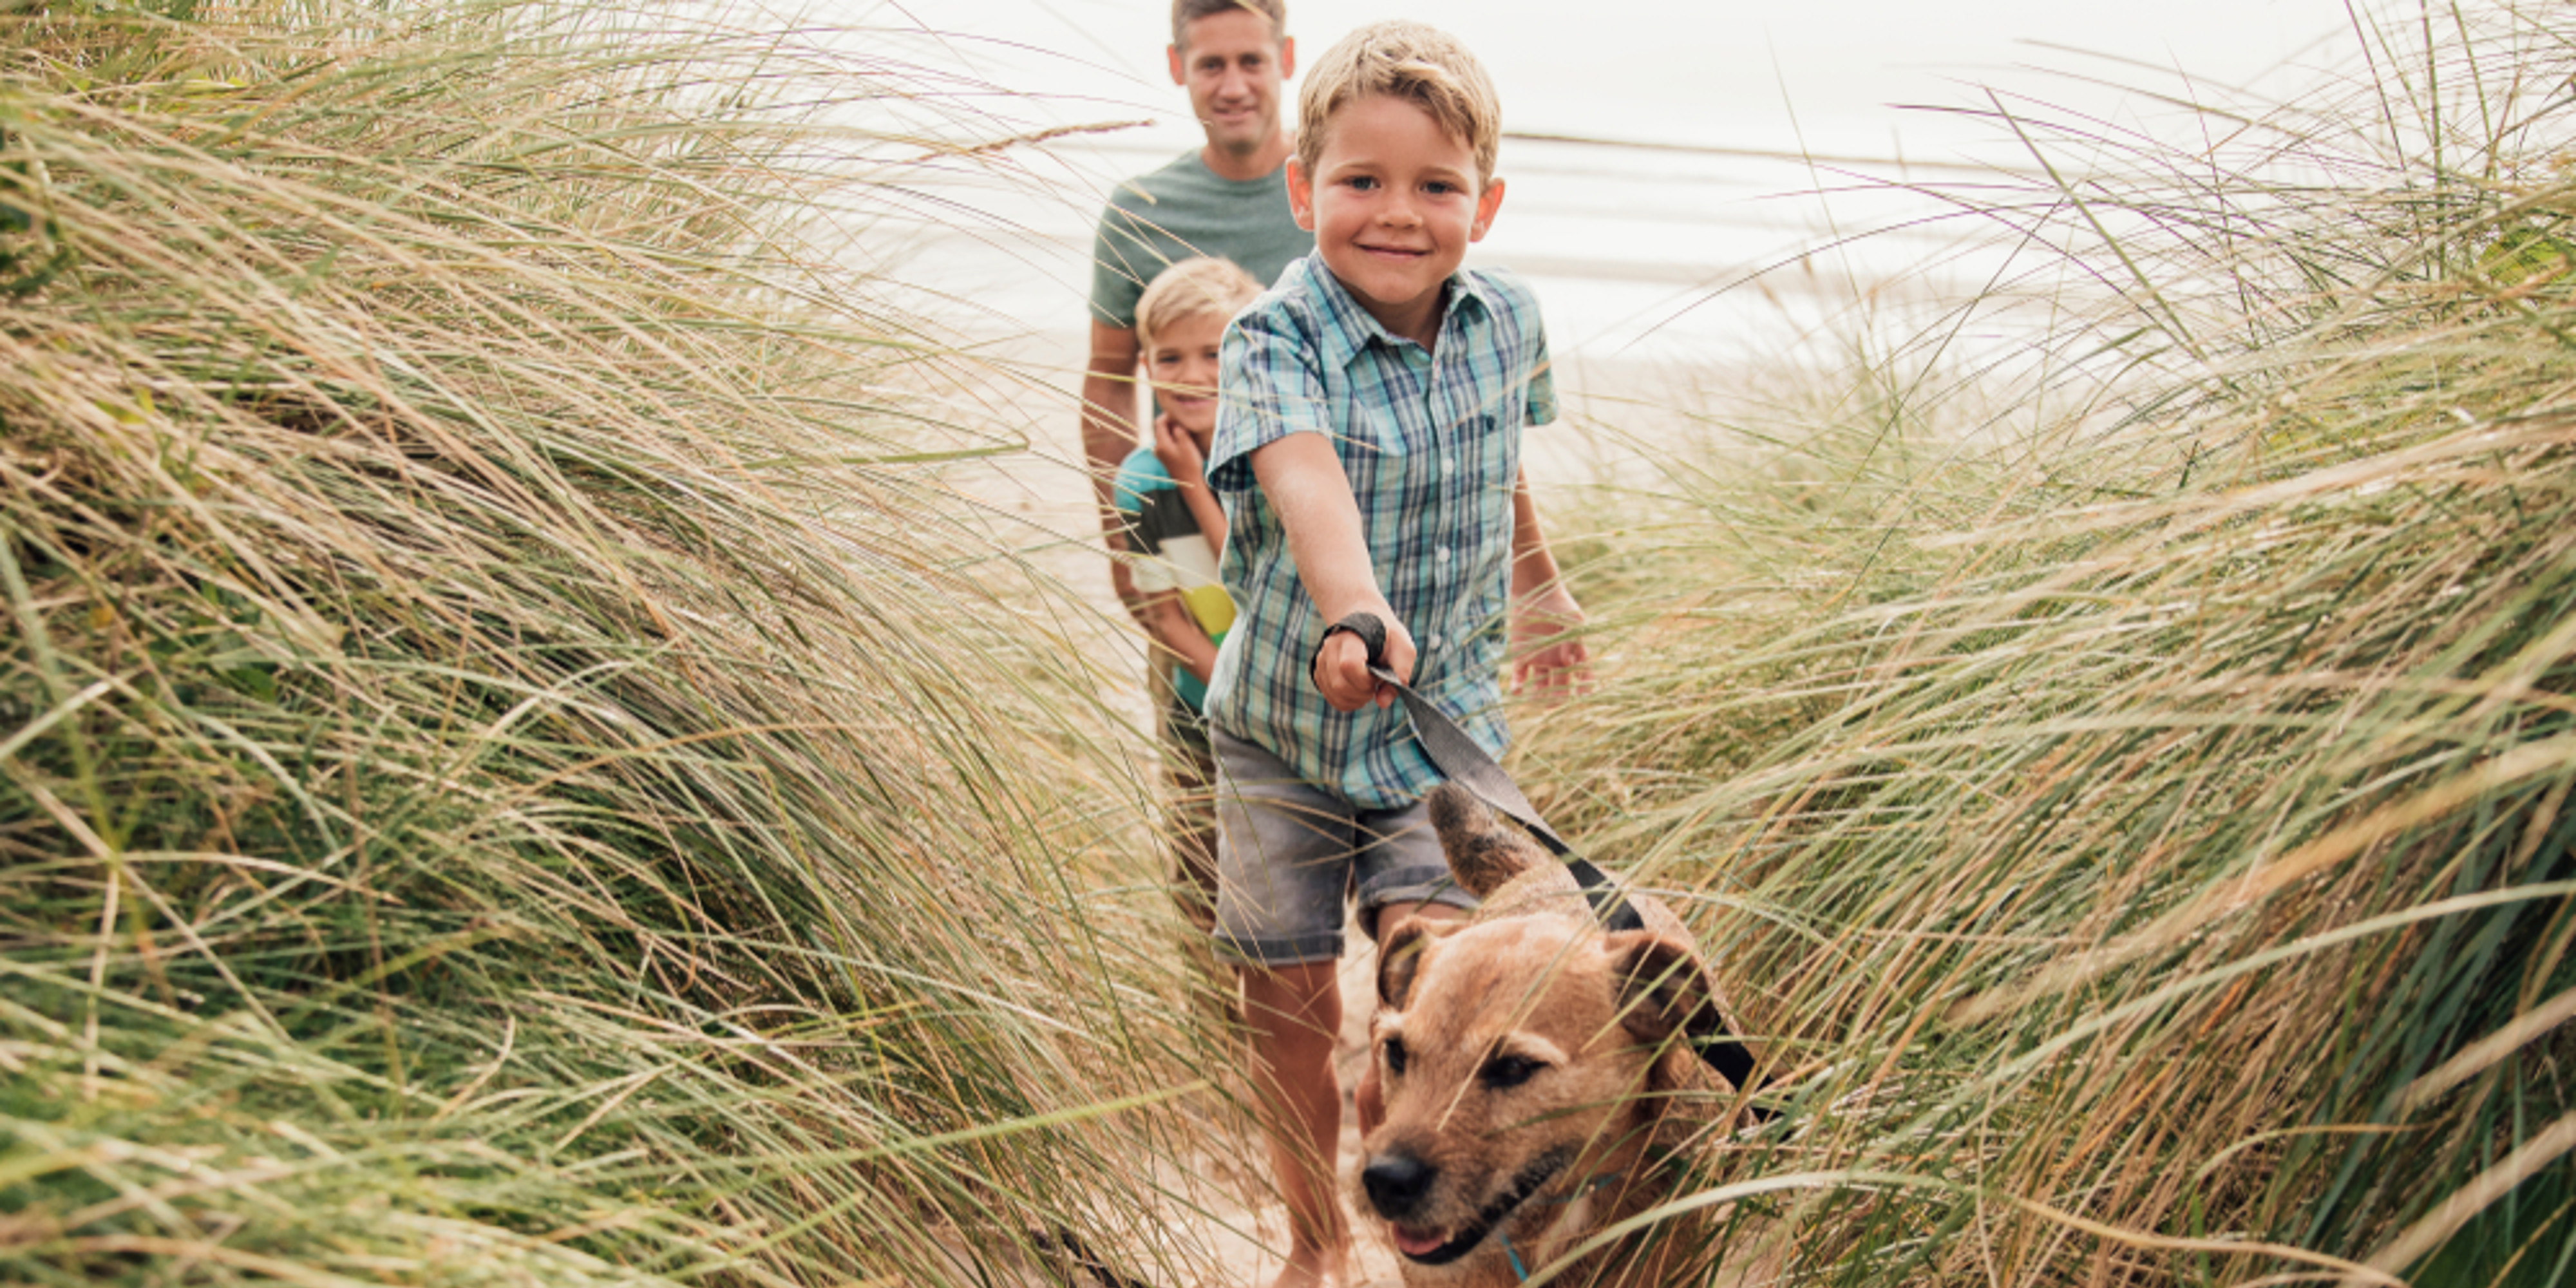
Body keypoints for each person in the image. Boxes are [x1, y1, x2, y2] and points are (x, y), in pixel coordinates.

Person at [1196, 21, 1590, 1288]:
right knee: (1290, 1003)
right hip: (1282, 732)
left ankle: (1433, 1220)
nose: (1397, 215)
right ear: (1303, 189)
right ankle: (1313, 1242)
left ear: (1484, 200)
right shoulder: (1272, 338)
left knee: (1443, 981)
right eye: (1359, 182)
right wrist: (1350, 611)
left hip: (1442, 726)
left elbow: (1497, 463)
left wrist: (1536, 581)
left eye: (1435, 187)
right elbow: (1306, 483)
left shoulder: (1507, 320)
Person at [1083, 0, 1309, 614]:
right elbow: (1108, 383)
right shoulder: (1139, 211)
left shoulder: (1331, 196)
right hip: (1180, 521)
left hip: (1317, 526)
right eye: (1211, 64)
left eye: (1251, 61)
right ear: (1177, 66)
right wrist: (1124, 542)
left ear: (1285, 59)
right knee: (1191, 701)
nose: (1233, 86)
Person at [1110, 256, 1264, 945]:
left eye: (1215, 352)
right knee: (1200, 870)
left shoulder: (1277, 457)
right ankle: (1210, 1023)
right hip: (1199, 704)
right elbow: (1165, 616)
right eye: (1169, 356)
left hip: (1290, 699)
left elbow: (1257, 576)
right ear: (1145, 366)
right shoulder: (1142, 481)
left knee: (1277, 877)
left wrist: (1195, 482)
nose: (1192, 374)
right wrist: (1229, 686)